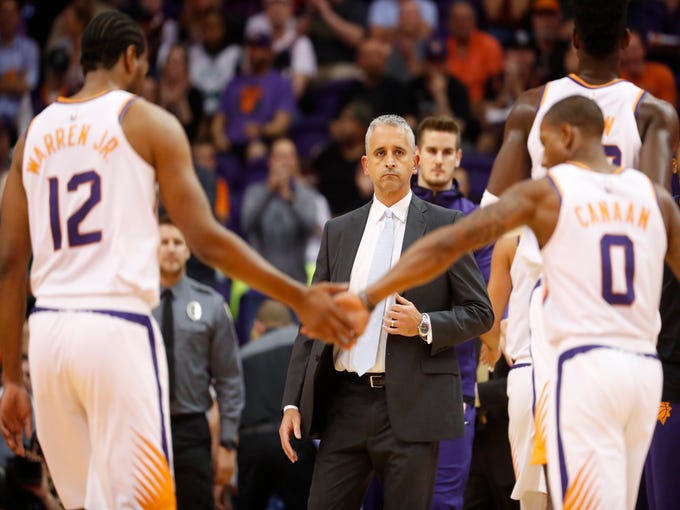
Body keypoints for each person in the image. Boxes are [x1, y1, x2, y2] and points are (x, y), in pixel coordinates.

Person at [0, 10, 354, 509]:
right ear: (131, 57)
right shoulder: (145, 120)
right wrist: (299, 295)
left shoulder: (31, 136)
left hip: (48, 336)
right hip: (115, 326)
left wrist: (11, 380)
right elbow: (206, 239)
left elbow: (10, 264)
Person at [337, 96, 680, 510]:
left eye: (545, 143)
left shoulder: (548, 193)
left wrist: (373, 292)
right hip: (646, 373)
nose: (542, 155)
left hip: (586, 371)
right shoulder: (656, 197)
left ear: (567, 135)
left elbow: (450, 242)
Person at [279, 114, 493, 510]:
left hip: (411, 405)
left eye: (398, 152)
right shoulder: (338, 231)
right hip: (345, 403)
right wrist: (292, 401)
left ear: (414, 161)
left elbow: (481, 312)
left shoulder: (447, 227)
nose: (389, 161)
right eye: (380, 153)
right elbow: (312, 324)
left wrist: (425, 325)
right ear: (366, 165)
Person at [413, 116, 493, 510]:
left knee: (445, 501)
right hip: (395, 378)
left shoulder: (476, 221)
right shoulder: (394, 211)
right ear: (417, 155)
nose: (439, 160)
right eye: (432, 151)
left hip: (454, 380)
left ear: (459, 157)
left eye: (447, 152)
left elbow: (484, 307)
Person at [152, 217, 244, 510]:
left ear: (188, 250)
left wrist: (228, 442)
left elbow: (229, 378)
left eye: (177, 243)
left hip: (191, 429)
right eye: (163, 242)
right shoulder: (133, 302)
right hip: (143, 427)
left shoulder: (211, 304)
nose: (170, 249)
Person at [236, 299, 316, 510]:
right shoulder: (302, 346)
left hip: (252, 443)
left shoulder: (244, 354)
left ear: (258, 325)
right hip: (295, 440)